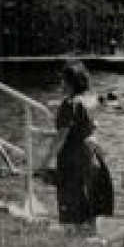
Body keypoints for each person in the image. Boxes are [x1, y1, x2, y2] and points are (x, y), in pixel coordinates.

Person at [39, 61, 115, 228]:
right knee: (90, 210)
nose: (61, 83)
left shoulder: (69, 104)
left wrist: (44, 163)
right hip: (92, 159)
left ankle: (76, 243)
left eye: (63, 80)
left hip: (72, 162)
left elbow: (61, 137)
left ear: (70, 82)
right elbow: (92, 126)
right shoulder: (90, 101)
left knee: (72, 215)